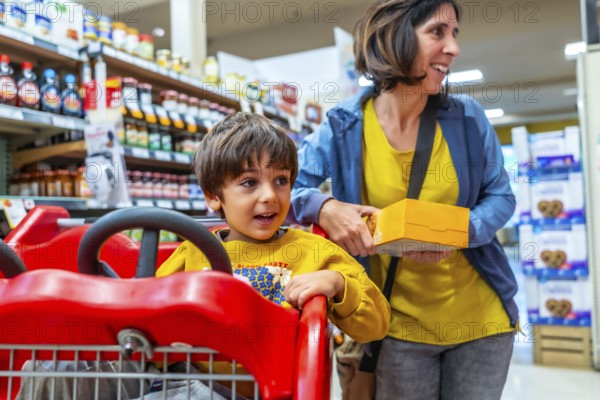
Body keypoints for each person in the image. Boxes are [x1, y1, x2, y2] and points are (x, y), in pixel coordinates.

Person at [17, 112, 390, 400]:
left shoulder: (313, 250)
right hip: (176, 374)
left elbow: (375, 324)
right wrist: (167, 340)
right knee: (51, 368)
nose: (269, 196)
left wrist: (338, 284)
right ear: (214, 196)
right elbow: (149, 315)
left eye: (281, 180)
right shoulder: (191, 249)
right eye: (249, 183)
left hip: (244, 387)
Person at [290, 1, 518, 399]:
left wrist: (459, 232)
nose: (453, 48)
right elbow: (287, 186)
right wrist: (325, 207)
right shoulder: (344, 126)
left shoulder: (467, 119)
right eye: (437, 32)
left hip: (482, 324)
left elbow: (500, 196)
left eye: (455, 34)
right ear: (394, 36)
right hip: (394, 324)